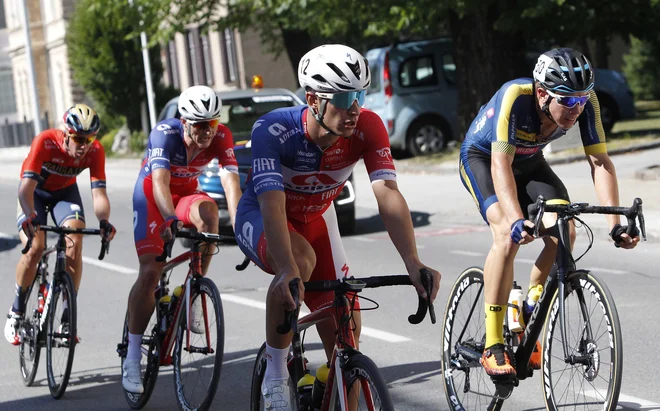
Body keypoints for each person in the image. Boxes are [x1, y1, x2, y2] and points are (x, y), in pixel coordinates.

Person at [234, 44, 442, 410]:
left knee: (347, 336)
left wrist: (413, 261)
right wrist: (285, 269)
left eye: (360, 94)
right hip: (265, 214)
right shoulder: (274, 128)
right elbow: (271, 201)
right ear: (313, 99)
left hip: (317, 218)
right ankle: (277, 376)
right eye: (344, 97)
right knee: (298, 261)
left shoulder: (367, 126)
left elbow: (388, 194)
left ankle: (334, 391)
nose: (354, 108)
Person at [459, 48, 640, 378]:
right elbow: (501, 163)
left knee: (565, 232)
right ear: (542, 93)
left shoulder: (586, 104)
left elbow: (600, 162)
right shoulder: (516, 96)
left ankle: (528, 309)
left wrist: (615, 225)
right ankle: (494, 343)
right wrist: (515, 219)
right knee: (505, 233)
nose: (577, 108)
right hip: (484, 159)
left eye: (582, 100)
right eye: (568, 102)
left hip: (528, 161)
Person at [123, 85, 242, 393]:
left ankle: (194, 292)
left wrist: (243, 224)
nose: (207, 132)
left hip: (185, 194)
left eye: (212, 124)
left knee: (210, 214)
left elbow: (231, 182)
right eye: (200, 125)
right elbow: (160, 182)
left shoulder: (221, 136)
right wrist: (170, 219)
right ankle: (132, 357)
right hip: (152, 196)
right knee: (151, 272)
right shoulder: (165, 134)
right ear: (185, 121)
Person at [5, 104, 116, 345]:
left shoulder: (95, 151)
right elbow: (25, 189)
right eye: (78, 139)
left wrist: (104, 221)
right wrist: (30, 216)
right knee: (35, 248)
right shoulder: (45, 141)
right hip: (34, 194)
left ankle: (67, 316)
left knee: (74, 241)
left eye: (89, 139)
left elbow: (99, 195)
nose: (84, 145)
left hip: (65, 195)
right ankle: (16, 311)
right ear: (66, 133)